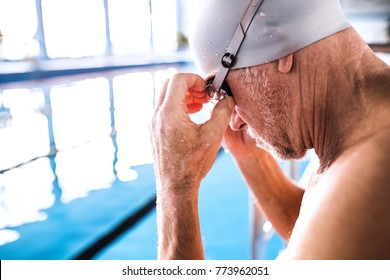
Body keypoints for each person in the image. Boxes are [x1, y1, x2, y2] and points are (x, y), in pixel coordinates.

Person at [149, 0, 390, 259]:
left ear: (282, 54)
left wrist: (176, 185)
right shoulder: (360, 138)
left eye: (222, 90)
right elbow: (320, 233)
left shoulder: (373, 172)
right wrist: (249, 158)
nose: (234, 121)